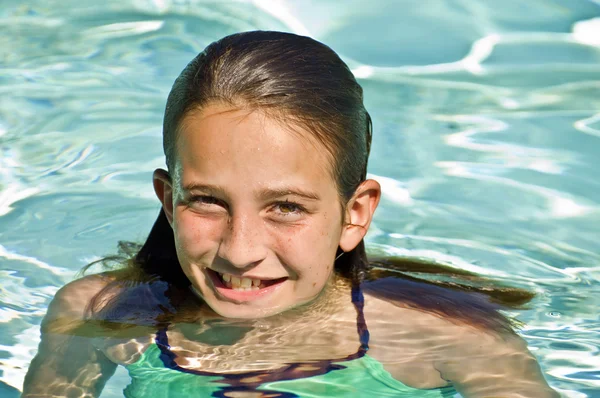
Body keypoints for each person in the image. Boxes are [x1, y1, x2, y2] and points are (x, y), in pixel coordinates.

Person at [23, 31, 558, 398]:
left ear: (355, 213)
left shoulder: (448, 338)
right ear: (168, 198)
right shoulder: (101, 315)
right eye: (207, 201)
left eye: (285, 207)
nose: (239, 249)